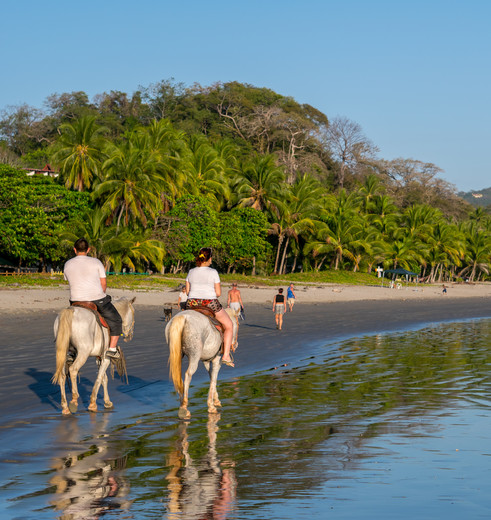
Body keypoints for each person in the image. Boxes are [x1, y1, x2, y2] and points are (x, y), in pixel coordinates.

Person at [63, 238, 122, 359]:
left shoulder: (68, 264)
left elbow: (69, 280)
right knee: (116, 320)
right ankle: (112, 349)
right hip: (96, 299)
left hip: (75, 301)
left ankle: (70, 351)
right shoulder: (96, 262)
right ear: (88, 249)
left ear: (75, 250)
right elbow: (103, 284)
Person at [185, 248, 235, 367]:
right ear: (209, 258)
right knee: (229, 325)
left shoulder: (191, 271)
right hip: (209, 303)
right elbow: (218, 293)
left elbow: (187, 292)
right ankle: (226, 355)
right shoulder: (213, 272)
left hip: (192, 303)